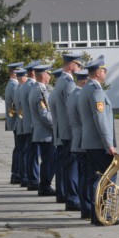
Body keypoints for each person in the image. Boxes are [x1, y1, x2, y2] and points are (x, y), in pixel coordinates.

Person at [78, 56, 119, 226]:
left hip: (89, 141)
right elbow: (100, 119)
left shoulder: (86, 89)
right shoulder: (96, 91)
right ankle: (103, 215)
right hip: (97, 142)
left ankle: (96, 215)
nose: (105, 73)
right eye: (104, 70)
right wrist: (108, 143)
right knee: (108, 177)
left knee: (94, 178)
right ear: (97, 72)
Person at [51, 53, 83, 210]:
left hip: (63, 130)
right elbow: (73, 108)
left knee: (65, 164)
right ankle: (72, 198)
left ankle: (64, 194)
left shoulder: (61, 81)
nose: (79, 69)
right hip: (70, 131)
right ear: (71, 65)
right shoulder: (69, 82)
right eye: (78, 65)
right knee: (71, 165)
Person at [67, 69, 92, 219]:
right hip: (83, 140)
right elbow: (85, 121)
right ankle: (87, 208)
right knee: (86, 176)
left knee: (83, 175)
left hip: (77, 138)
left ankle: (85, 207)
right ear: (84, 81)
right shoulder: (79, 95)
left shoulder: (73, 95)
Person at [29, 64, 57, 196]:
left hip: (42, 132)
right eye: (48, 73)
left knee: (49, 160)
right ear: (42, 75)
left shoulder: (36, 89)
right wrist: (56, 126)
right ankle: (44, 186)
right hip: (46, 133)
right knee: (49, 161)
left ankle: (44, 185)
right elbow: (45, 114)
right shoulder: (41, 91)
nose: (50, 76)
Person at [19, 60, 41, 191]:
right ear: (33, 72)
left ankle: (28, 178)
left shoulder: (25, 85)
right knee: (33, 154)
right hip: (33, 125)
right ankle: (32, 179)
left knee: (30, 153)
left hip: (27, 123)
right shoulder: (32, 86)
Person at [4, 62, 23, 183]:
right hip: (18, 122)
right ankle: (17, 174)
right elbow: (17, 105)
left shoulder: (10, 84)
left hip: (16, 121)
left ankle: (16, 174)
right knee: (20, 149)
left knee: (18, 149)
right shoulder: (14, 85)